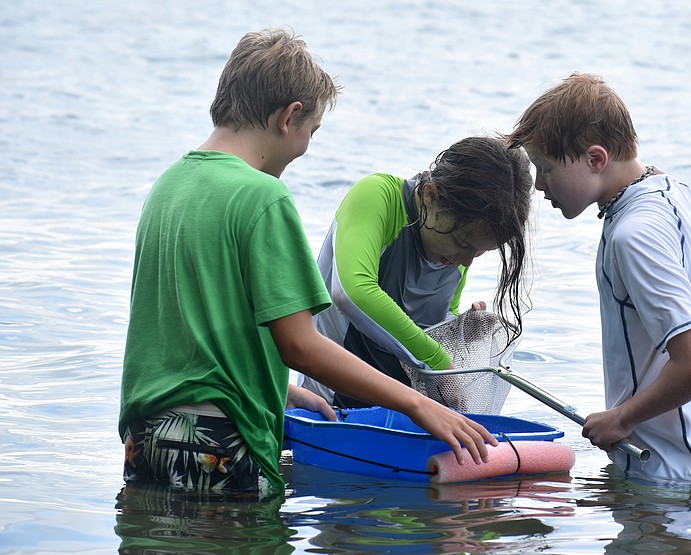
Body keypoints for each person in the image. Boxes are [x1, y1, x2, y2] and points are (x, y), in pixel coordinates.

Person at [119, 28, 497, 498]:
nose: (305, 149)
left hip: (144, 434)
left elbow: (187, 329)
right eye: (311, 132)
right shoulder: (262, 196)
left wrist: (281, 389)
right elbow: (301, 345)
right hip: (219, 441)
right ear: (289, 116)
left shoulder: (168, 186)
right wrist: (419, 404)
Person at [505, 72, 691, 484]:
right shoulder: (674, 192)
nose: (537, 184)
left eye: (546, 168)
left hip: (666, 467)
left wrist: (623, 417)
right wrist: (672, 364)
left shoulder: (633, 234)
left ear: (596, 159)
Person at [297, 136, 533, 408]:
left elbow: (428, 331)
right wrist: (436, 359)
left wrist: (460, 329)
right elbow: (352, 293)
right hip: (330, 407)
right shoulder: (378, 196)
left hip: (408, 412)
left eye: (480, 252)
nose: (466, 262)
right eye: (463, 243)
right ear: (431, 195)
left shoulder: (452, 252)